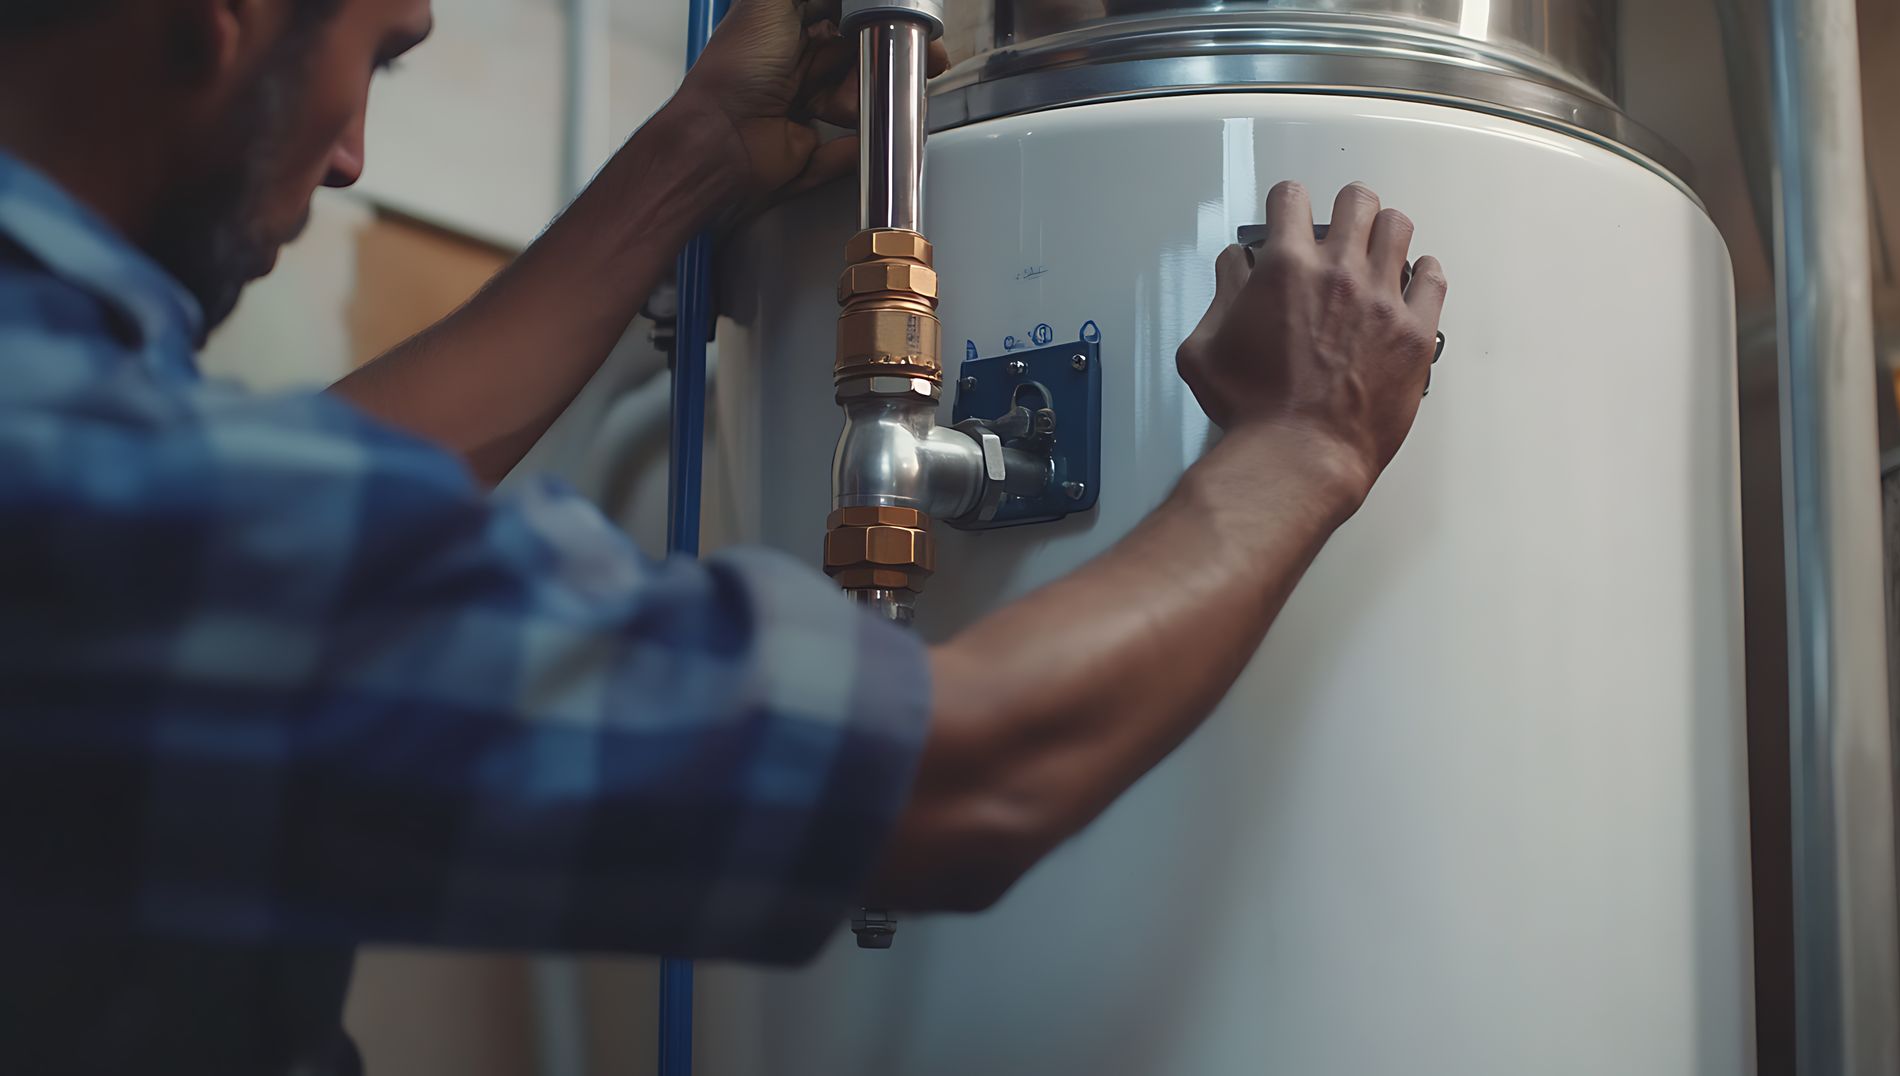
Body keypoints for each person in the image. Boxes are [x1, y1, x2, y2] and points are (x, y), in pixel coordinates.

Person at [0, 0, 1448, 1072]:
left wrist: (696, 157)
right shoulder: (84, 507)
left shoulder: (81, 450)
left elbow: (304, 505)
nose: (352, 160)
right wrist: (1300, 447)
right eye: (376, 53)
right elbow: (960, 782)